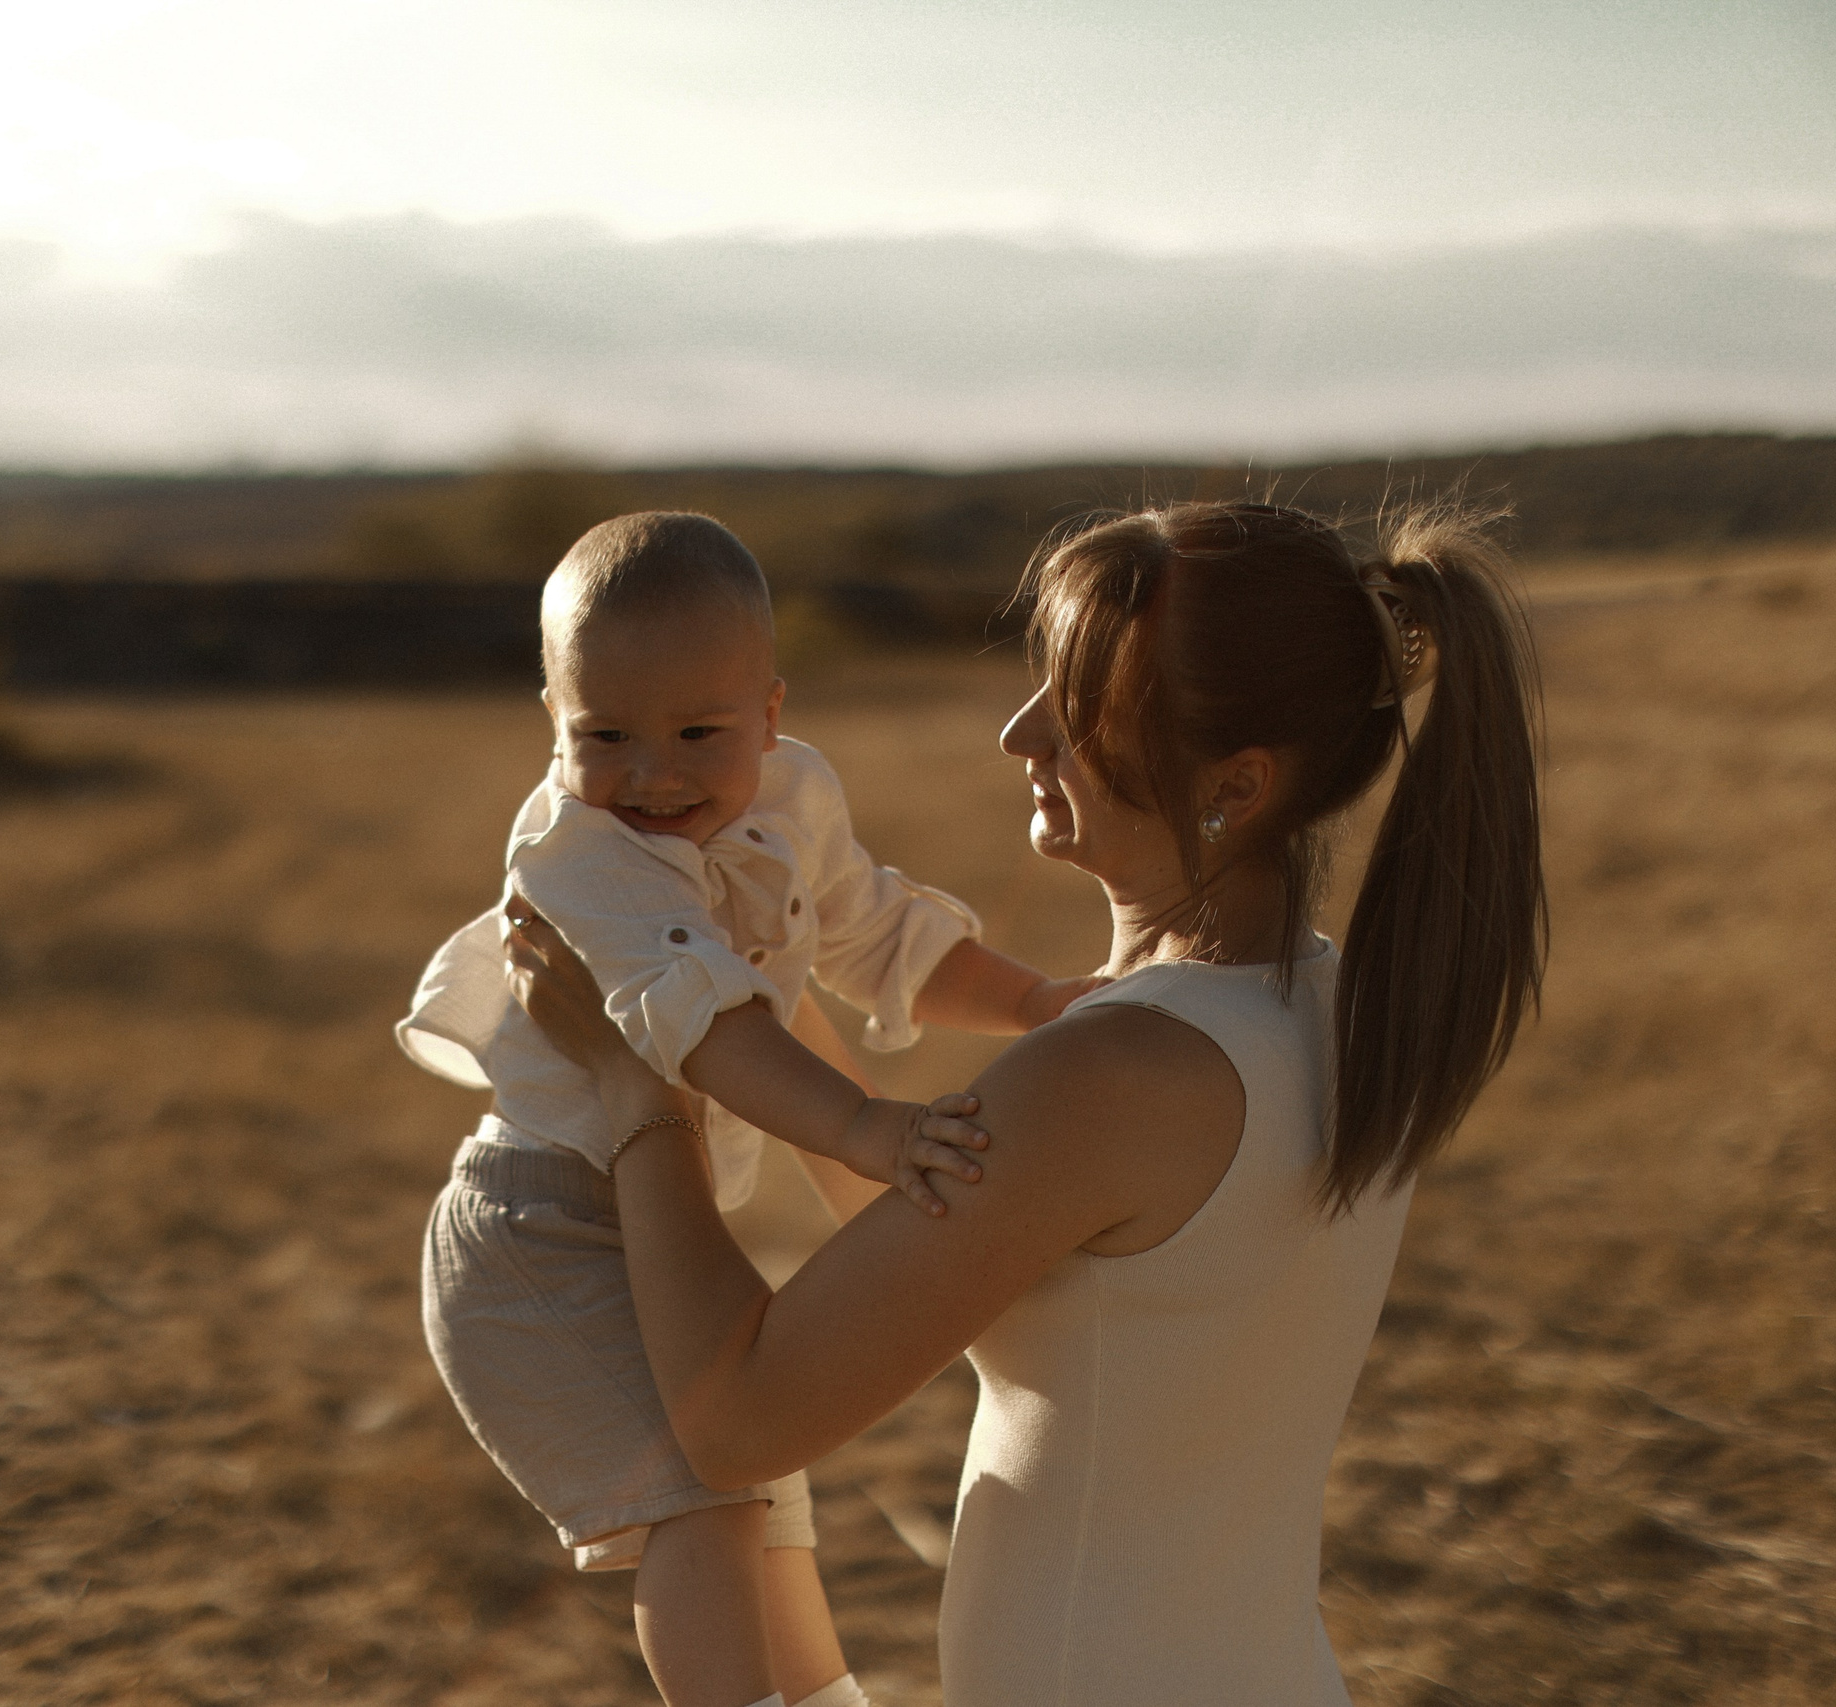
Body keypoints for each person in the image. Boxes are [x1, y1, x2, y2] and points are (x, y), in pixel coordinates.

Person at [503, 500, 1547, 1705]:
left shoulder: (1114, 1074)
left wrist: (638, 1079)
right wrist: (739, 987)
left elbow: (737, 1423)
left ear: (1236, 782)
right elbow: (939, 1262)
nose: (1020, 731)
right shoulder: (1334, 1013)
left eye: (1078, 702)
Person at [397, 511, 1097, 1707]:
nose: (652, 774)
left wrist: (1033, 1000)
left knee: (763, 1492)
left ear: (770, 715)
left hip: (653, 1213)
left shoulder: (793, 796)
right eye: (603, 735)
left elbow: (877, 932)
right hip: (540, 1235)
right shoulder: (580, 855)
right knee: (703, 1501)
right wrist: (863, 1128)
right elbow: (710, 1030)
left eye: (696, 733)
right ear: (552, 720)